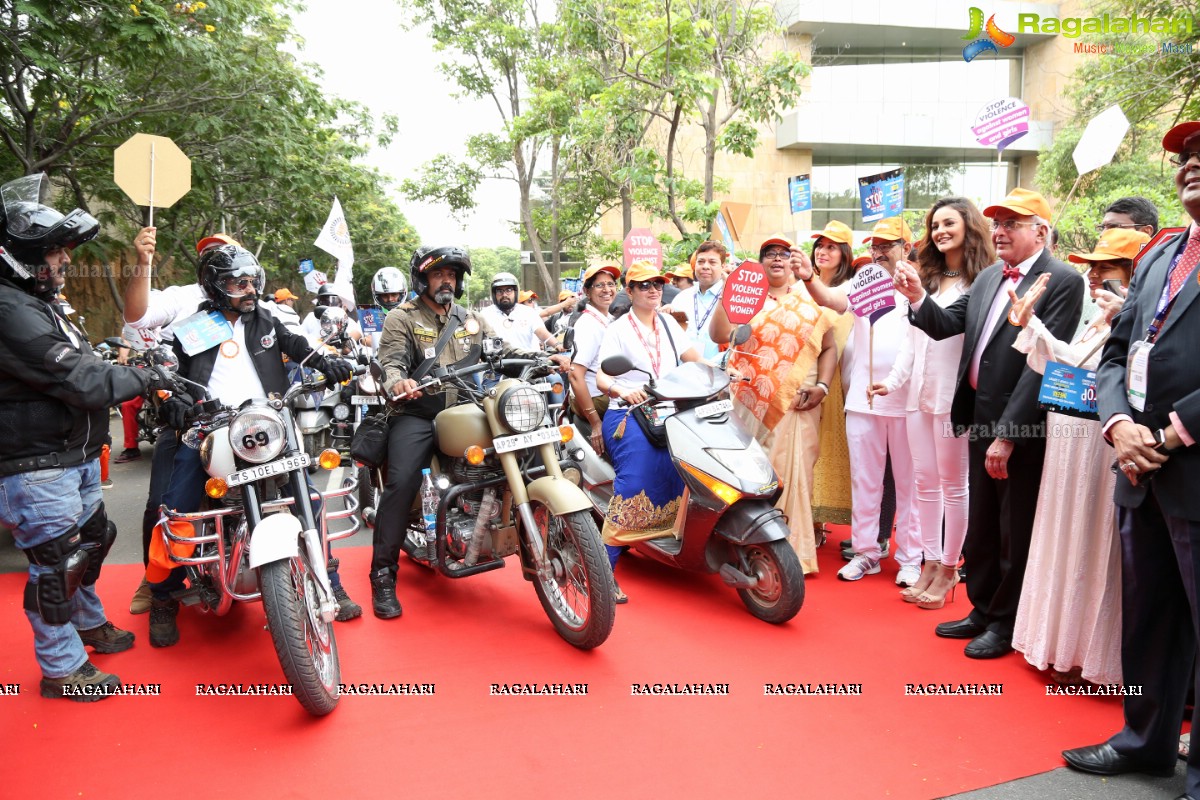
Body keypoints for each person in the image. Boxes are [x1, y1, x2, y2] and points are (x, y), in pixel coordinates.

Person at [1062, 121, 1200, 791]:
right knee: (1149, 620)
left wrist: (1173, 433)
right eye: (1188, 156)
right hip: (1138, 469)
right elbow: (1119, 350)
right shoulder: (1161, 254)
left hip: (1190, 464)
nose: (1192, 165)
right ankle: (1145, 742)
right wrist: (1118, 423)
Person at [893, 187, 1085, 659]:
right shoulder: (989, 277)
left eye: (1011, 224)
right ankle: (981, 607)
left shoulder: (1061, 280)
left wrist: (1007, 435)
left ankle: (1005, 620)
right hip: (978, 415)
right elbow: (943, 324)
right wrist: (918, 296)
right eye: (996, 223)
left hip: (1019, 424)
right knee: (981, 521)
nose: (999, 231)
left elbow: (1044, 365)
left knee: (1010, 525)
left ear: (1040, 230)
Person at [0, 173, 169, 699]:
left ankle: (90, 627)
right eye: (55, 252)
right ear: (21, 258)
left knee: (91, 544)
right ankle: (63, 669)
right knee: (57, 567)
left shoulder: (39, 304)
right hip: (36, 464)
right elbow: (83, 379)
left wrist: (136, 363)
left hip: (70, 454)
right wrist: (148, 377)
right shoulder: (9, 308)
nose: (65, 261)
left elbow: (85, 360)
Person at [146, 244, 356, 646]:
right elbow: (170, 373)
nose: (248, 289)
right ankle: (163, 594)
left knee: (308, 499)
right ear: (215, 286)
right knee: (175, 508)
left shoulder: (267, 320)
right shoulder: (191, 327)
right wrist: (172, 400)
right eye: (237, 283)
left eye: (251, 282)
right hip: (210, 428)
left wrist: (327, 362)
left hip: (266, 423)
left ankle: (329, 578)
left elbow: (298, 347)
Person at [371, 246, 570, 619]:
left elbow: (501, 348)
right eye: (438, 275)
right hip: (417, 410)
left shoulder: (470, 318)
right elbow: (391, 361)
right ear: (422, 279)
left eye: (451, 275)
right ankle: (382, 575)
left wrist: (543, 357)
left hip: (464, 406)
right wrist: (399, 382)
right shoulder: (401, 317)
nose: (446, 281)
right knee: (400, 483)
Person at [1009, 227, 1148, 685]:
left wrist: (1129, 316)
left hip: (1099, 450)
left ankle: (1093, 656)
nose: (1093, 277)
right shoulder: (1098, 319)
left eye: (1105, 268)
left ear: (1133, 273)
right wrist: (1032, 323)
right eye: (1092, 267)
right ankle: (1055, 645)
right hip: (1064, 446)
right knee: (1060, 535)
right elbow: (1068, 364)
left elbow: (1133, 382)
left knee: (1094, 544)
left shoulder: (1145, 322)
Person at [870, 198, 994, 608]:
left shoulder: (982, 283)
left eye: (949, 223)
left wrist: (919, 295)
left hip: (951, 397)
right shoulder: (928, 278)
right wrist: (891, 381)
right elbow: (913, 341)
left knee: (954, 488)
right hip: (915, 398)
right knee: (924, 486)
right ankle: (927, 562)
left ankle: (948, 570)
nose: (940, 231)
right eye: (935, 224)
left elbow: (947, 332)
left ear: (969, 227)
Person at [797, 217, 921, 586]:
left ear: (907, 249)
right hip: (862, 400)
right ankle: (867, 552)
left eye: (888, 245)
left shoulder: (919, 284)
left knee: (909, 482)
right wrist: (808, 276)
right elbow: (832, 300)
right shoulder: (865, 280)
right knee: (865, 480)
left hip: (905, 402)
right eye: (875, 246)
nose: (880, 252)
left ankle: (911, 558)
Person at [710, 236, 837, 573]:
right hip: (751, 401)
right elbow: (717, 334)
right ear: (761, 261)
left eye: (784, 253)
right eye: (770, 254)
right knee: (754, 475)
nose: (777, 259)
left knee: (797, 476)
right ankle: (751, 549)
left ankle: (794, 553)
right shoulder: (747, 299)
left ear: (794, 261)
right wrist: (729, 295)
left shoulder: (810, 296)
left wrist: (822, 386)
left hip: (801, 401)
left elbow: (829, 347)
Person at [595, 261, 704, 601]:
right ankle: (602, 573)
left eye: (657, 283)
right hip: (629, 413)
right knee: (634, 485)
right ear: (630, 291)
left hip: (670, 411)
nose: (653, 289)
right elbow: (601, 378)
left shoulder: (670, 323)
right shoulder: (617, 329)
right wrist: (621, 390)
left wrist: (726, 370)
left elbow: (694, 359)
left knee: (689, 471)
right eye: (644, 285)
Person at [807, 222, 856, 539]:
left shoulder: (852, 288)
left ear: (845, 254)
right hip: (804, 376)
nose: (823, 252)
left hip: (838, 380)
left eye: (832, 247)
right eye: (820, 246)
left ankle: (820, 518)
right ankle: (805, 516)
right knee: (806, 447)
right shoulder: (799, 288)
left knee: (827, 448)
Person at [566, 263, 622, 453]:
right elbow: (575, 375)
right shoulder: (589, 325)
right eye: (599, 285)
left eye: (611, 284)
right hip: (595, 398)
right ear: (587, 292)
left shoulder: (608, 319)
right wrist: (596, 423)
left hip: (604, 391)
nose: (607, 290)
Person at [666, 241, 726, 359]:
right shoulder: (682, 298)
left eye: (712, 262)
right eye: (701, 262)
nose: (705, 266)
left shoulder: (731, 299)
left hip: (718, 372)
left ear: (722, 266)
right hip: (684, 369)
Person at [480, 272, 556, 351]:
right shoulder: (485, 314)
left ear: (516, 292)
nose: (504, 295)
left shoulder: (528, 312)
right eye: (499, 291)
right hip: (497, 362)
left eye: (508, 290)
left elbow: (541, 332)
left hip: (527, 361)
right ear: (494, 294)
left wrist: (557, 345)